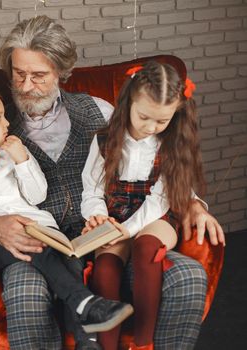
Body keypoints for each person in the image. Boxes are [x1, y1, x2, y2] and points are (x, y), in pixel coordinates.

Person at [0, 15, 225, 350]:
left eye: (39, 76)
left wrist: (191, 202)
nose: (27, 85)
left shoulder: (99, 112)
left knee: (187, 276)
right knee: (23, 290)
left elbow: (151, 161)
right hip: (37, 250)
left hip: (108, 238)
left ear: (61, 72)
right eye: (19, 74)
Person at [0, 86, 133, 336]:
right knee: (37, 251)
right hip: (1, 242)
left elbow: (37, 195)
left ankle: (87, 338)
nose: (7, 122)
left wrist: (22, 161)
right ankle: (86, 303)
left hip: (42, 227)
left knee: (71, 263)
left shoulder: (14, 151)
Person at [81, 61, 225, 350]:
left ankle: (143, 343)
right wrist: (97, 217)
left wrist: (129, 229)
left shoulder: (172, 143)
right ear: (129, 103)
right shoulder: (104, 140)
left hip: (158, 215)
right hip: (116, 214)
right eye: (144, 117)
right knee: (105, 268)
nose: (150, 127)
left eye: (161, 121)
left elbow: (161, 198)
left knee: (147, 248)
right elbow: (92, 189)